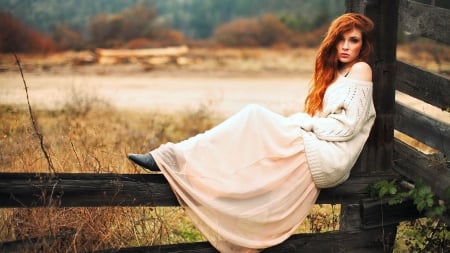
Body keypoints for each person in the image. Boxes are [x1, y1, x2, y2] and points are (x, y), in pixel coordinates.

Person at [128, 13, 375, 253]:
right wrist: (305, 124)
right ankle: (202, 179)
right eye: (341, 40)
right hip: (321, 149)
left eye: (353, 41)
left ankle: (175, 158)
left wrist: (304, 122)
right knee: (256, 159)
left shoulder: (361, 69)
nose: (345, 46)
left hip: (330, 156)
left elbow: (347, 127)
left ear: (363, 45)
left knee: (254, 117)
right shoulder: (336, 73)